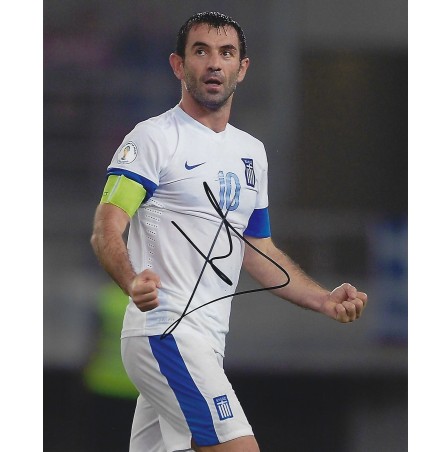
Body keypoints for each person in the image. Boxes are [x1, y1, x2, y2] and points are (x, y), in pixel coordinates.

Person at [90, 11, 368, 452]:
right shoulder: (152, 138)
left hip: (205, 341)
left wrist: (323, 298)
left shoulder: (251, 152)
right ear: (178, 65)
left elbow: (256, 247)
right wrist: (130, 280)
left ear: (242, 67)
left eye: (226, 53)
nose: (214, 63)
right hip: (167, 331)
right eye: (201, 51)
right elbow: (106, 227)